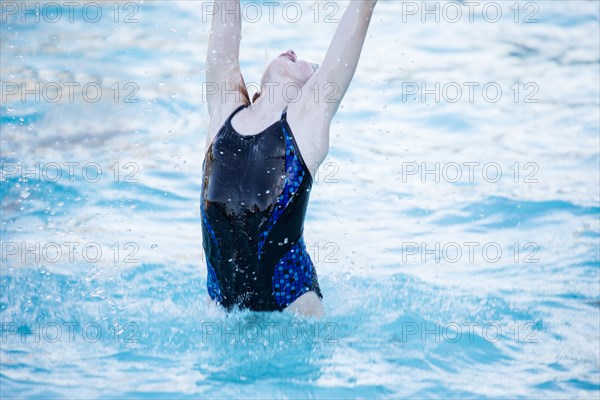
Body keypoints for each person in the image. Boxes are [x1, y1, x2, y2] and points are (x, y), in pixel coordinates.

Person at [202, 0, 378, 317]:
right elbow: (224, 21)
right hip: (225, 321)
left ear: (309, 88)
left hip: (296, 315)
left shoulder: (306, 123)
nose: (294, 52)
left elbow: (358, 15)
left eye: (308, 65)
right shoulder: (223, 113)